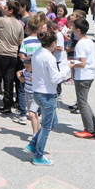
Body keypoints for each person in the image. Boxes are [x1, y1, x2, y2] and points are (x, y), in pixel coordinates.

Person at [26, 31, 71, 166]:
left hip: (38, 92)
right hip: (47, 94)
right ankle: (38, 156)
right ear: (53, 43)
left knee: (52, 122)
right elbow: (55, 78)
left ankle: (34, 144)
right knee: (47, 126)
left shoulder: (37, 53)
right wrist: (68, 69)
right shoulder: (49, 57)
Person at [70, 18, 95, 138]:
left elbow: (82, 63)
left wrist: (71, 63)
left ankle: (89, 129)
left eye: (73, 28)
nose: (72, 30)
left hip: (83, 75)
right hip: (89, 74)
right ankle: (94, 125)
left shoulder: (80, 44)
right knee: (84, 101)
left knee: (81, 103)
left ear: (78, 30)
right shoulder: (89, 41)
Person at [14, 16, 42, 126]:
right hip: (38, 70)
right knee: (37, 90)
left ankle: (22, 113)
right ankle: (37, 111)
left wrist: (25, 63)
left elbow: (22, 55)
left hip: (28, 68)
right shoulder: (41, 40)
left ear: (28, 28)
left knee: (22, 89)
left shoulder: (25, 41)